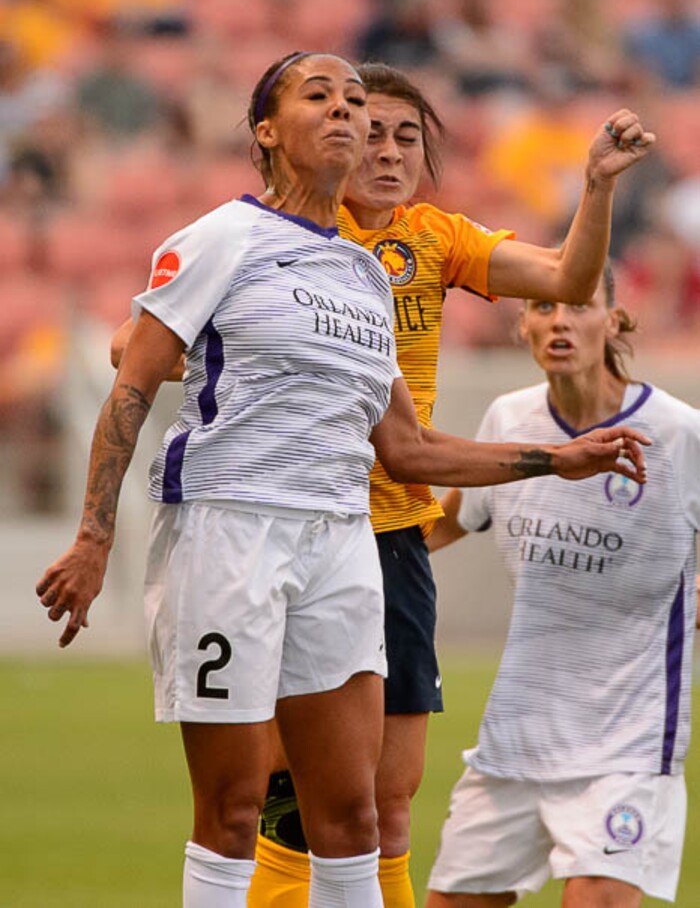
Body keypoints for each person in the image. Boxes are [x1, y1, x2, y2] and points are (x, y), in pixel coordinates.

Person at [109, 61, 657, 908]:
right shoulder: (266, 238)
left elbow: (566, 280)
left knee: (383, 802)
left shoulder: (429, 239)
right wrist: (248, 358)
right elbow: (133, 346)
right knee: (272, 799)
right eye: (372, 130)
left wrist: (595, 185)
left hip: (387, 534)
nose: (389, 149)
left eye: (406, 136)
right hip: (267, 522)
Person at [425, 262, 699, 907]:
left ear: (614, 320)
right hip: (514, 743)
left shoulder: (680, 433)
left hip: (626, 748)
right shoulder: (509, 418)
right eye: (543, 307)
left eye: (578, 305)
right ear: (521, 325)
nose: (560, 321)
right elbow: (444, 524)